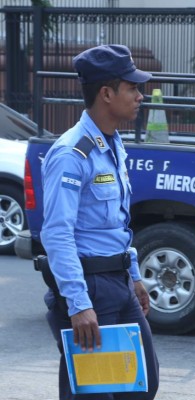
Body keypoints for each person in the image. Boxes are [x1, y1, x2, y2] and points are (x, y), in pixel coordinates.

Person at [40, 44, 159, 399]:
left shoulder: (112, 143)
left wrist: (134, 275)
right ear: (106, 94)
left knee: (141, 384)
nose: (140, 96)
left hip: (118, 281)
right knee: (93, 393)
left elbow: (116, 224)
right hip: (89, 287)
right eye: (132, 88)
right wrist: (78, 304)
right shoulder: (72, 153)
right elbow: (57, 234)